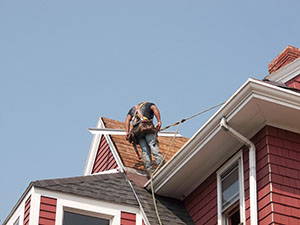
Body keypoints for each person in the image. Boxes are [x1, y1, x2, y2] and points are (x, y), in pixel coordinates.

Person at [125, 102, 164, 176]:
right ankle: (161, 164)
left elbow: (127, 120)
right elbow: (154, 108)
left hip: (137, 132)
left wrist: (127, 132)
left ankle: (150, 171)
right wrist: (159, 121)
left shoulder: (132, 109)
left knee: (145, 151)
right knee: (152, 145)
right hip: (146, 127)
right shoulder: (149, 104)